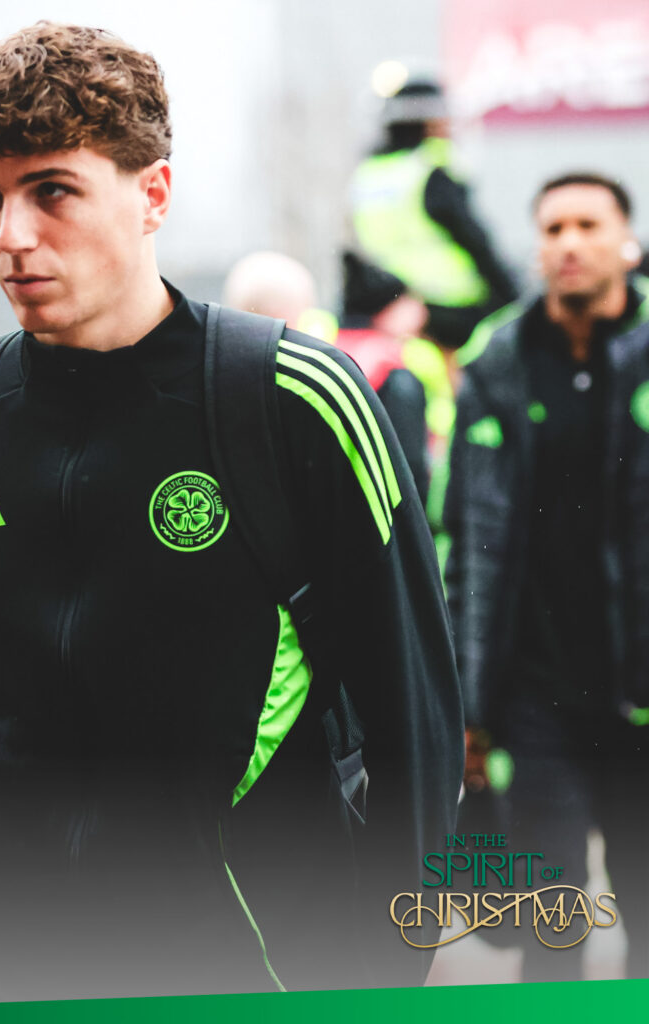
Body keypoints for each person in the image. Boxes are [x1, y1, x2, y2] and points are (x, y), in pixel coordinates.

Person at [0, 22, 462, 1005]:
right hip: (12, 969)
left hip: (257, 968)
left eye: (52, 191)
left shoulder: (290, 399)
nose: (10, 236)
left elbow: (415, 724)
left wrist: (388, 966)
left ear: (153, 196)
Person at [445, 172, 649, 982]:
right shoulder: (497, 363)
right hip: (538, 700)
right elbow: (469, 539)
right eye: (553, 227)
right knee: (550, 930)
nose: (569, 243)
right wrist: (467, 701)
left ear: (626, 243)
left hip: (640, 691)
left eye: (588, 225)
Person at [350, 76, 518, 352]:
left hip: (389, 302)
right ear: (430, 122)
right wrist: (511, 296)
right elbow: (473, 238)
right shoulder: (432, 168)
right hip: (449, 306)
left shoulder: (370, 173)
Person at [336, 251, 430, 505]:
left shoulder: (330, 353)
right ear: (386, 311)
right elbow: (409, 466)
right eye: (409, 301)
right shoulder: (394, 374)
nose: (421, 312)